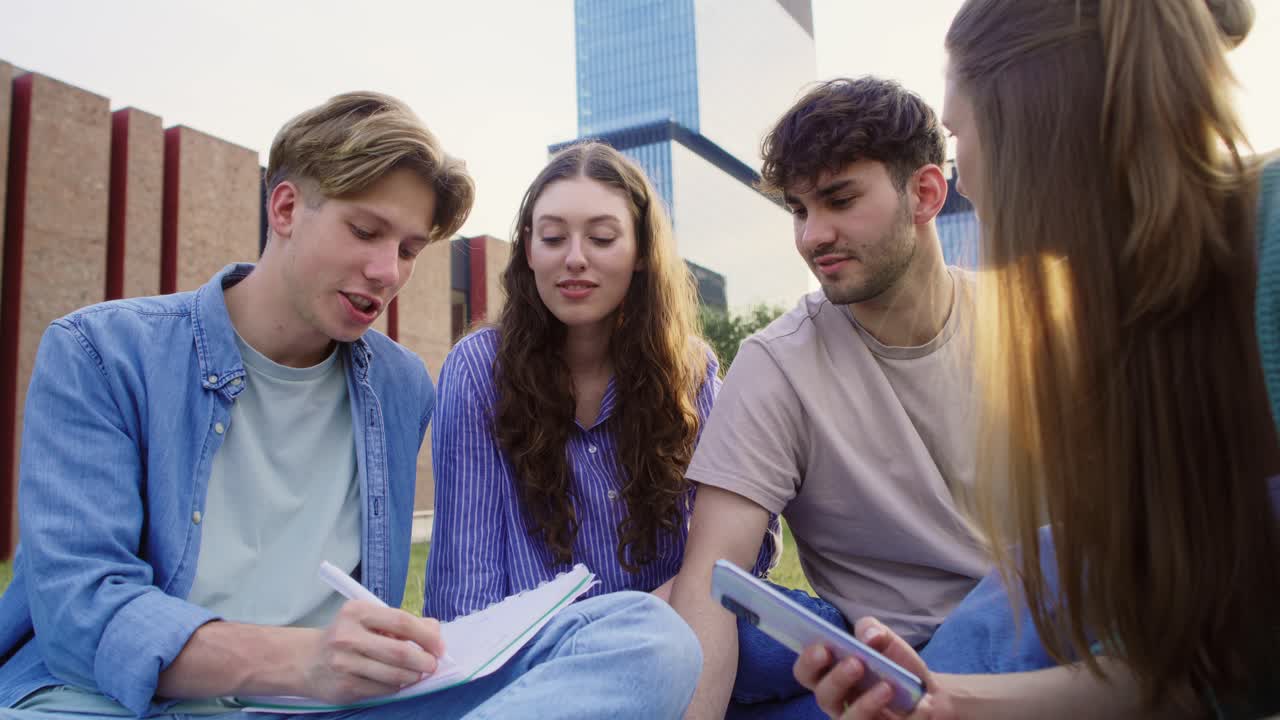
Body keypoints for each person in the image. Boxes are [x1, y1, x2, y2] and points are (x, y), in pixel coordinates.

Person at [0, 92, 701, 720]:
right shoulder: (102, 353)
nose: (388, 272)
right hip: (108, 702)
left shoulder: (398, 386)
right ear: (284, 209)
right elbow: (81, 611)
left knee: (649, 638)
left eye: (408, 249)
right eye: (366, 232)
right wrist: (302, 661)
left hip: (328, 707)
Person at [793, 1, 1280, 717]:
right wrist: (941, 701)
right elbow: (1180, 678)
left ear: (1035, 119)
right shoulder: (1118, 342)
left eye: (958, 138)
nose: (962, 182)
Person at [667, 76, 990, 719]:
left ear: (925, 193)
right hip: (881, 669)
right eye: (799, 210)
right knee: (652, 620)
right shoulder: (777, 363)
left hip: (1022, 636)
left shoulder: (1027, 319)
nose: (813, 235)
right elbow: (713, 578)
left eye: (840, 200)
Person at [424, 141, 776, 622]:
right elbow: (464, 589)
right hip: (535, 666)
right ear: (528, 249)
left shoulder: (690, 371)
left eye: (602, 239)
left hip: (673, 640)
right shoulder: (478, 371)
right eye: (552, 238)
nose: (574, 259)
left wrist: (635, 628)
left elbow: (745, 552)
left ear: (640, 252)